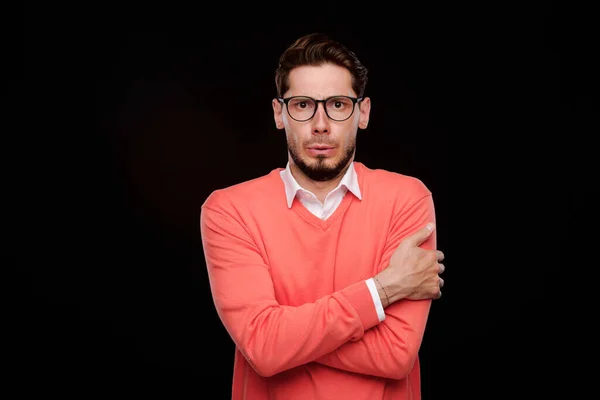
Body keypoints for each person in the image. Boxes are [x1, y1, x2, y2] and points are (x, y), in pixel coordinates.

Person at [200, 32, 445, 400]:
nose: (320, 124)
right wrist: (383, 290)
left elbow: (396, 354)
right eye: (302, 105)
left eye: (337, 104)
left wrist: (287, 337)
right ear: (279, 114)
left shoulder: (406, 199)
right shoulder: (229, 210)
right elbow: (264, 349)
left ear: (362, 113)